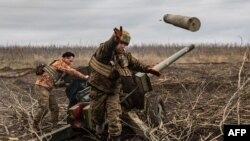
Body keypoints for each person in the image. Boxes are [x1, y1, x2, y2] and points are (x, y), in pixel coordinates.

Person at [88, 26, 160, 141]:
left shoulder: (125, 56)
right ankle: (99, 128)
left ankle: (114, 137)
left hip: (113, 91)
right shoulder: (104, 52)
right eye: (121, 43)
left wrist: (148, 69)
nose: (123, 46)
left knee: (114, 119)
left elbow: (136, 64)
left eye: (125, 44)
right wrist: (114, 39)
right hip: (98, 90)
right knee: (97, 116)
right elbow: (109, 46)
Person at [33, 52, 89, 130]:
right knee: (44, 108)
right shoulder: (60, 63)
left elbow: (54, 80)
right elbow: (72, 71)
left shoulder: (57, 64)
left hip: (48, 88)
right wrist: (84, 77)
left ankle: (54, 126)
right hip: (41, 87)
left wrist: (65, 84)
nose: (71, 63)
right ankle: (35, 126)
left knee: (55, 108)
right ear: (65, 58)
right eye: (70, 60)